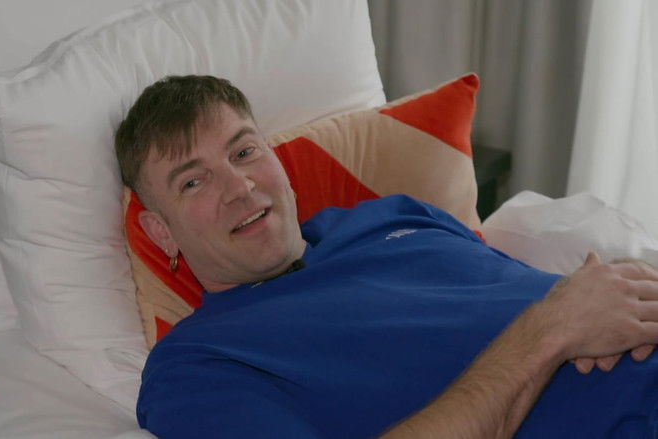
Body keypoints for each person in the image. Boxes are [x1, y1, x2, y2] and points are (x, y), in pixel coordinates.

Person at [115, 75, 658, 438]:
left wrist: (618, 295)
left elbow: (523, 296)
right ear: (161, 233)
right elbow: (551, 319)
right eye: (193, 181)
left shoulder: (395, 215)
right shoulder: (196, 366)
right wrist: (550, 333)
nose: (239, 186)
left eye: (244, 151)